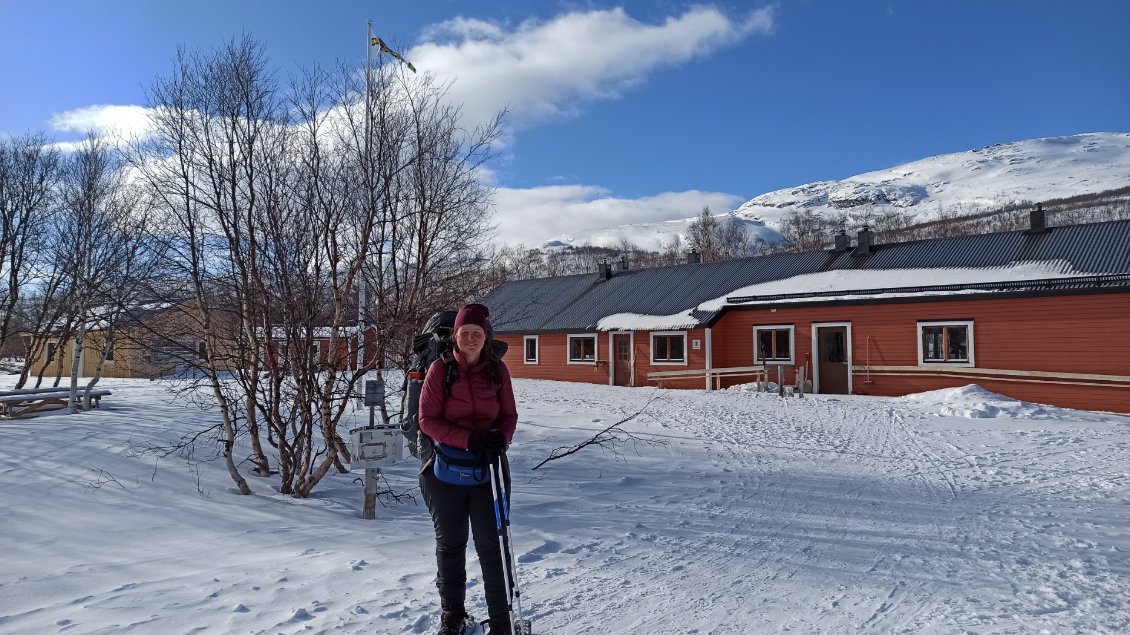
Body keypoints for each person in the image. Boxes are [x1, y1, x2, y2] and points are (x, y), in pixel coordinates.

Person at [418, 303, 518, 635]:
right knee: (450, 542)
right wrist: (468, 439)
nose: (471, 339)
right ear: (455, 336)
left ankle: (501, 622)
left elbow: (509, 416)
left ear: (485, 337)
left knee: (492, 544)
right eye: (465, 333)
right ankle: (452, 616)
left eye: (477, 333)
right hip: (445, 470)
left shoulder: (497, 371)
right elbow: (426, 420)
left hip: (487, 471)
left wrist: (499, 439)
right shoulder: (439, 370)